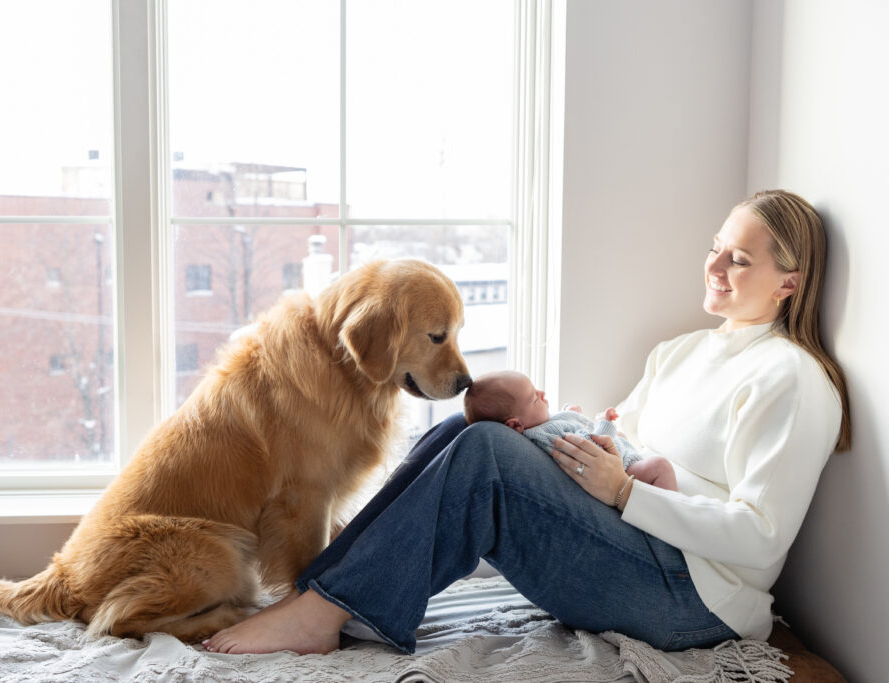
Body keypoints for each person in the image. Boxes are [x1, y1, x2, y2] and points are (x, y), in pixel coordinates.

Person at [205, 190, 851, 656]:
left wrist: (627, 493)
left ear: (788, 283)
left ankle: (322, 610)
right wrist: (550, 435)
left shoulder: (793, 379)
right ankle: (323, 592)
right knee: (471, 427)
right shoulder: (682, 351)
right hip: (635, 541)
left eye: (739, 259)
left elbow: (762, 538)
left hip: (693, 598)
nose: (714, 266)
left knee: (485, 451)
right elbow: (616, 430)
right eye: (716, 248)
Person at [463, 369, 677, 490]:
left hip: (619, 459)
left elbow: (565, 425)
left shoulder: (539, 425)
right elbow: (592, 452)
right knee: (660, 466)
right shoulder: (546, 437)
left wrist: (570, 413)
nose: (543, 393)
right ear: (515, 425)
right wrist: (604, 424)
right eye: (534, 398)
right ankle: (671, 523)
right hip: (622, 472)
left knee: (622, 437)